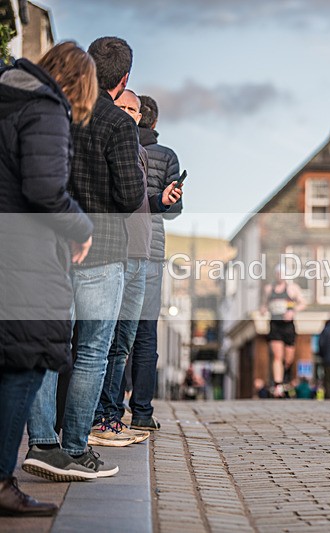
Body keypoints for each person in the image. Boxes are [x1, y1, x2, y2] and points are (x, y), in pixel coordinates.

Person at [24, 36, 145, 481]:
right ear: (125, 78)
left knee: (48, 346)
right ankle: (75, 447)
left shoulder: (54, 109)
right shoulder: (118, 123)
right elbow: (132, 195)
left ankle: (41, 443)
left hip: (49, 245)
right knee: (92, 351)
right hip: (105, 248)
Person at [0, 41, 96, 516]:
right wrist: (82, 227)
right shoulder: (45, 106)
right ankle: (1, 482)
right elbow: (44, 188)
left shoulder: (8, 94)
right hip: (23, 255)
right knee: (26, 361)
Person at [90, 89, 182, 447]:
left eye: (134, 110)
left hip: (143, 250)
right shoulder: (123, 145)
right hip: (119, 248)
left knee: (125, 339)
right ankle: (115, 414)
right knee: (116, 339)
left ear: (144, 117)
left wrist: (162, 199)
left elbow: (146, 203)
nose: (129, 114)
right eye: (123, 107)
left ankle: (113, 415)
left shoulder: (142, 152)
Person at [128, 94, 184, 432]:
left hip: (120, 242)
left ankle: (107, 407)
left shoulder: (117, 142)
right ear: (156, 122)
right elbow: (174, 210)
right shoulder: (167, 156)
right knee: (146, 331)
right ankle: (142, 412)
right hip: (152, 246)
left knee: (116, 329)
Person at [262, 266, 306, 397]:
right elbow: (264, 303)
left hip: (288, 326)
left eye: (282, 273)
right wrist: (263, 309)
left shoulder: (293, 288)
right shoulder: (269, 289)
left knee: (288, 358)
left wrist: (293, 311)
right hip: (275, 325)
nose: (280, 276)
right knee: (277, 356)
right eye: (278, 273)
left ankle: (285, 375)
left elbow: (303, 303)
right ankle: (278, 385)